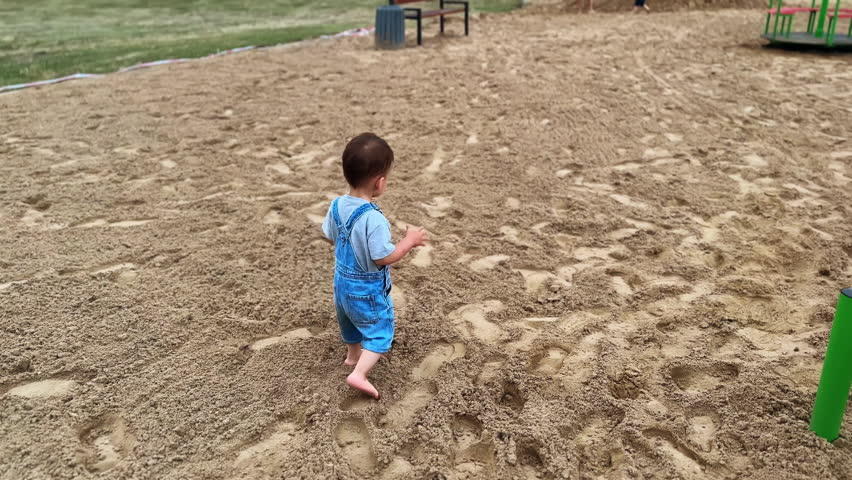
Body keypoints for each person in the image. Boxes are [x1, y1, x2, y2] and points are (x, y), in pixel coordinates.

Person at [322, 133, 428, 399]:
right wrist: (408, 242)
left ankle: (352, 355)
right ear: (380, 183)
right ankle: (359, 373)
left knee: (348, 320)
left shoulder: (336, 206)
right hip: (365, 288)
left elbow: (329, 233)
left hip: (341, 283)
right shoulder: (373, 218)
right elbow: (383, 257)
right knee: (381, 332)